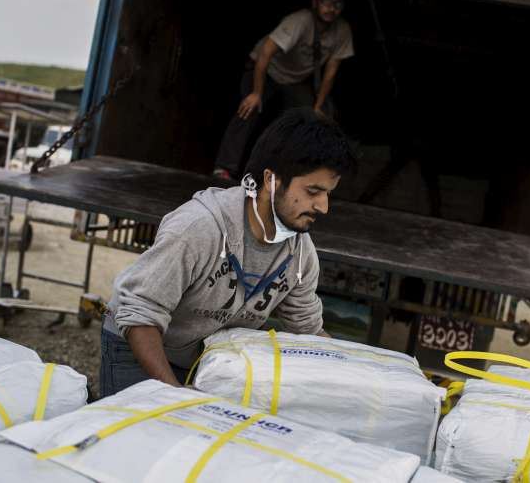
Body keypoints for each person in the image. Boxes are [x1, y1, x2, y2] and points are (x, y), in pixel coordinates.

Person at [100, 108, 356, 396]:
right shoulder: (198, 228)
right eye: (313, 191)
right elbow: (140, 314)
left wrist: (354, 376)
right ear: (271, 180)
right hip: (139, 345)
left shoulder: (300, 253)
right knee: (144, 436)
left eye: (328, 194)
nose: (323, 206)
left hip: (207, 360)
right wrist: (174, 394)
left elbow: (308, 330)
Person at [212, 0, 354, 181]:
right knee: (249, 109)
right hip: (265, 70)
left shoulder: (342, 30)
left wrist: (318, 106)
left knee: (308, 119)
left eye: (337, 5)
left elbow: (331, 72)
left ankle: (282, 175)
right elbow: (265, 53)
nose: (331, 8)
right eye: (327, 2)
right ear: (315, 3)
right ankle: (224, 168)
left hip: (293, 80)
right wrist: (256, 92)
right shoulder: (299, 21)